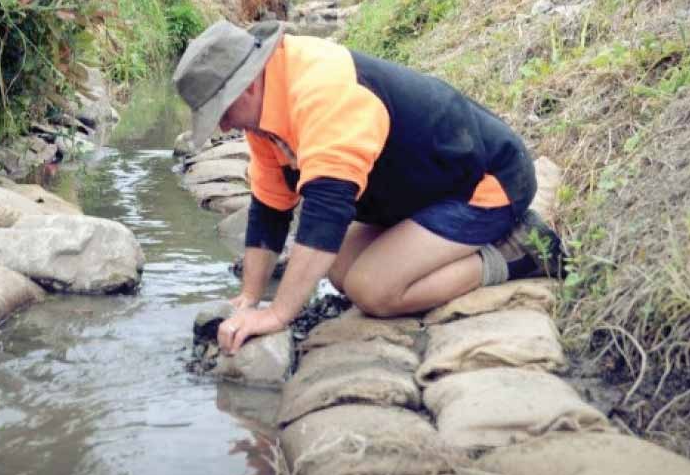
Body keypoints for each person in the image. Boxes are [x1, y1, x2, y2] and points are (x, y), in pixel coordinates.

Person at [172, 20, 561, 355]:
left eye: (223, 111)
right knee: (340, 269)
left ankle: (516, 251)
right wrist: (250, 298)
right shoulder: (265, 109)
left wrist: (277, 314)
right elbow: (270, 205)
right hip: (423, 190)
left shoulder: (324, 92)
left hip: (485, 185)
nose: (224, 126)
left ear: (246, 87)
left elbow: (326, 214)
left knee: (372, 289)